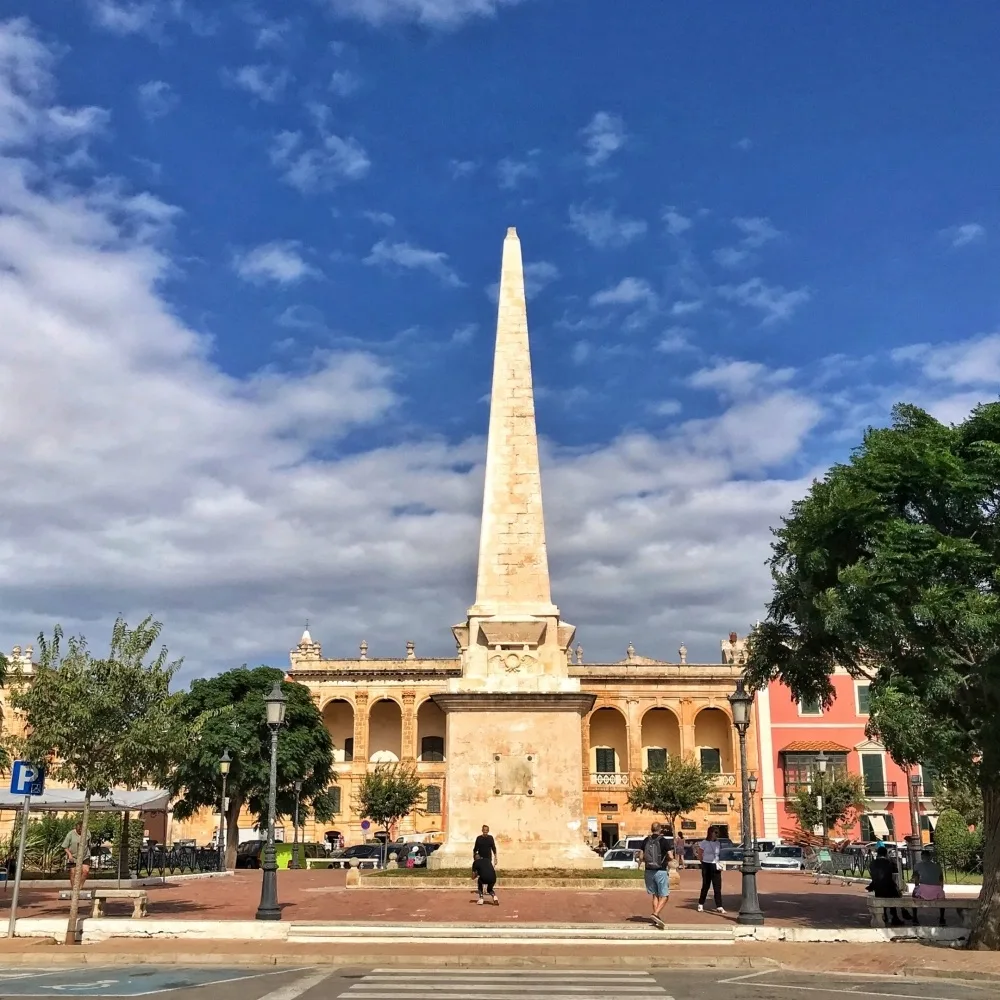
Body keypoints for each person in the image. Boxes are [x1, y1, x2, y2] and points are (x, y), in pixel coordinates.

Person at [867, 846, 910, 926]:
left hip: (877, 888)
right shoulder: (889, 863)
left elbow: (874, 876)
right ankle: (897, 915)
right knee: (894, 893)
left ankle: (886, 915)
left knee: (889, 892)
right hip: (888, 887)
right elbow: (893, 876)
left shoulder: (872, 864)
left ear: (878, 854)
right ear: (886, 854)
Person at [640, 821, 672, 928]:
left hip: (648, 871)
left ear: (651, 829)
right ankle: (655, 914)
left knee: (655, 895)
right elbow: (671, 856)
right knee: (665, 896)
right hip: (660, 870)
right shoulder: (663, 840)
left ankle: (656, 919)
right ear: (660, 829)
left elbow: (641, 856)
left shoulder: (646, 840)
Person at [912, 849, 947, 926]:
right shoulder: (937, 866)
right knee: (943, 898)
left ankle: (914, 918)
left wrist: (917, 888)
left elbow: (916, 879)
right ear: (930, 857)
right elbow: (941, 880)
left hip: (923, 890)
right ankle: (942, 918)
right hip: (936, 890)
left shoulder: (917, 866)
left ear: (922, 857)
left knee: (913, 895)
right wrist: (940, 890)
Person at [695, 826, 725, 913]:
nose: (717, 834)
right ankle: (701, 904)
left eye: (717, 833)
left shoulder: (718, 843)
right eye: (715, 832)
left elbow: (718, 854)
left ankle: (719, 906)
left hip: (716, 865)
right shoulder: (704, 843)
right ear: (710, 833)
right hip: (706, 865)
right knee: (706, 885)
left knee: (717, 886)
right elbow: (700, 854)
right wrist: (703, 862)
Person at [62, 821, 91, 886]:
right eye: (78, 830)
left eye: (81, 830)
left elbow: (89, 844)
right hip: (74, 856)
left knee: (85, 871)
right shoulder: (70, 834)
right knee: (73, 873)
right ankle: (74, 888)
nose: (80, 831)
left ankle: (80, 886)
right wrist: (69, 855)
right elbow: (65, 846)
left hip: (84, 856)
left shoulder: (88, 833)